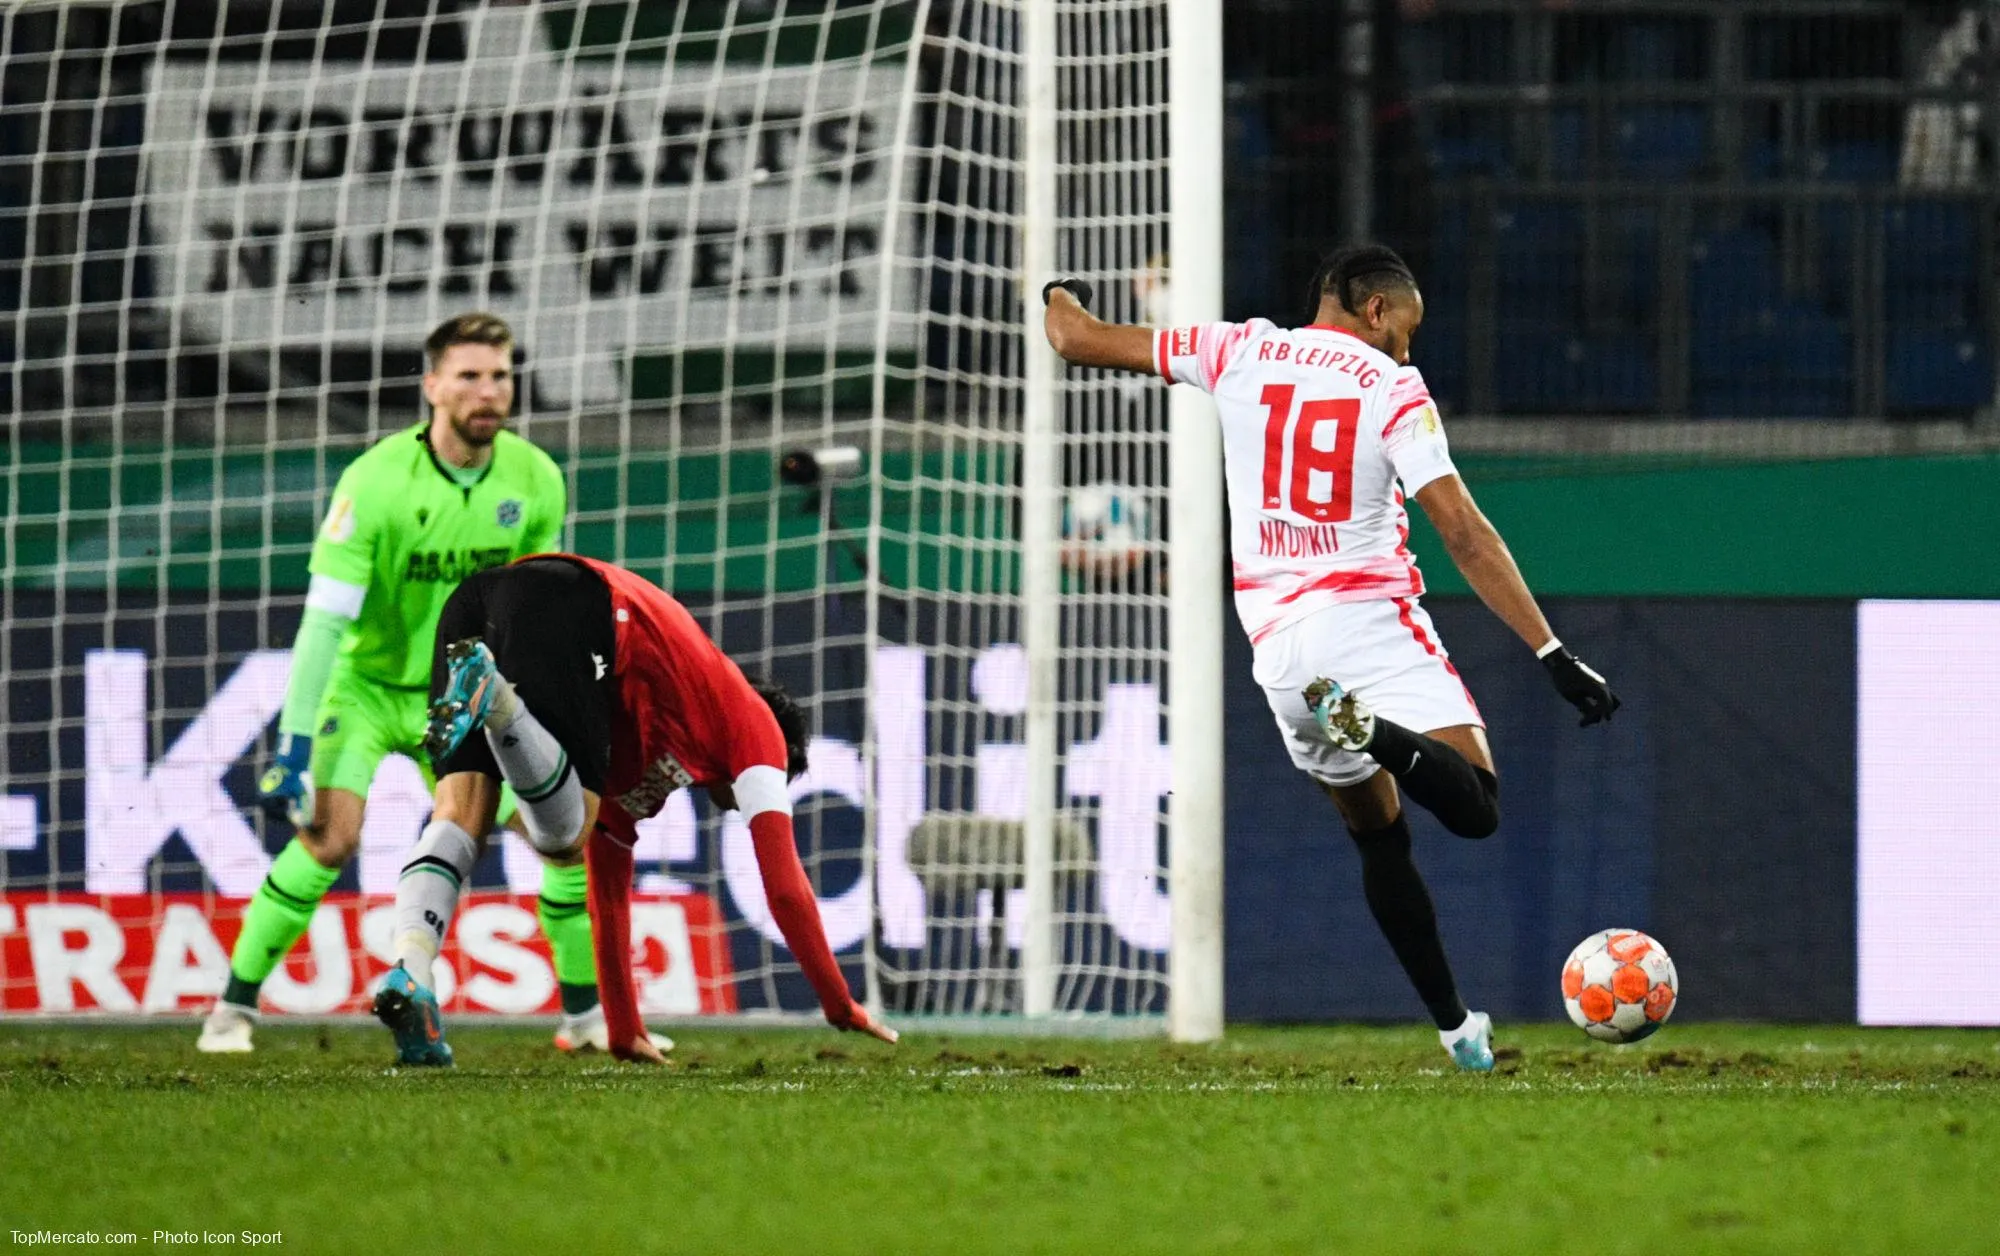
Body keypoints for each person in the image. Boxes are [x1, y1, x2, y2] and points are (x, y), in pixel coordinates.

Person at [1041, 246, 1619, 1070]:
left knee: (1379, 841)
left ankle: (1458, 1029)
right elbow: (1462, 529)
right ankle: (1373, 731)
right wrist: (1552, 649)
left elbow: (1075, 339)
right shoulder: (1392, 389)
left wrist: (1058, 290)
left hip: (1279, 655)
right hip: (1366, 620)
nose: (1409, 352)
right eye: (1406, 331)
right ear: (1373, 309)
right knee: (1476, 804)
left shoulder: (1235, 349)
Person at [198, 313, 616, 1055]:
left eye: (500, 376)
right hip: (368, 687)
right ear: (432, 387)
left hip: (463, 690)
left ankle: (584, 1016)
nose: (488, 392)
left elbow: (536, 613)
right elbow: (324, 624)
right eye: (469, 376)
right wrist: (293, 745)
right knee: (329, 835)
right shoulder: (376, 482)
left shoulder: (536, 479)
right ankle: (231, 1011)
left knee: (559, 836)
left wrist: (538, 721)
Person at [374, 554, 898, 1065]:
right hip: (580, 604)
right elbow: (783, 889)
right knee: (561, 841)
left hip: (475, 602)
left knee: (461, 812)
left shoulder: (643, 764)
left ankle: (411, 972)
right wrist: (840, 1003)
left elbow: (609, 901)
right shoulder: (754, 725)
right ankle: (500, 702)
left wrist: (625, 1031)